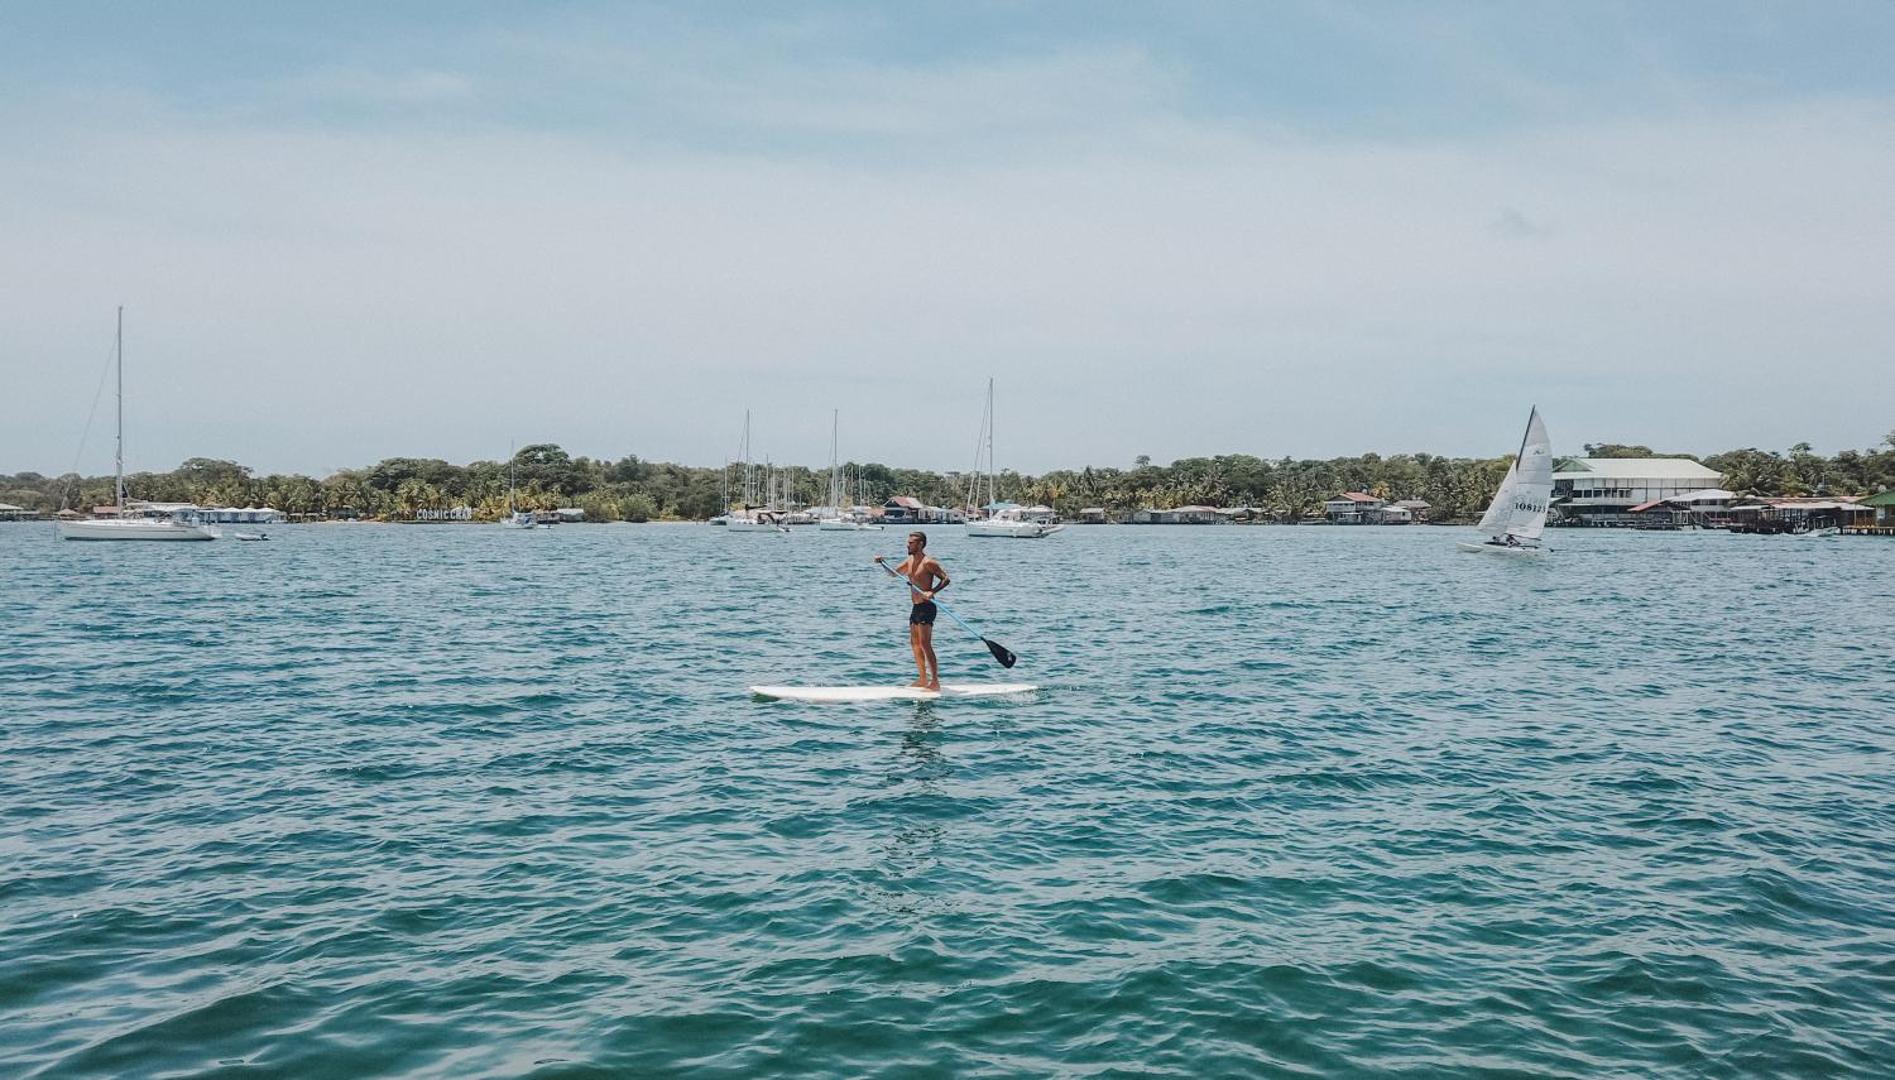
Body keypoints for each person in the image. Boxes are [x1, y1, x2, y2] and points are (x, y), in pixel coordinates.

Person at [874, 531, 950, 690]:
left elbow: (946, 579)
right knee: (915, 644)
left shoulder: (929, 562)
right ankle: (923, 679)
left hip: (927, 607)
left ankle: (935, 681)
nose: (907, 545)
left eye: (911, 543)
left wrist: (932, 591)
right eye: (908, 542)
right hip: (915, 607)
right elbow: (893, 574)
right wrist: (883, 563)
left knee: (925, 644)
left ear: (920, 544)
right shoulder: (909, 561)